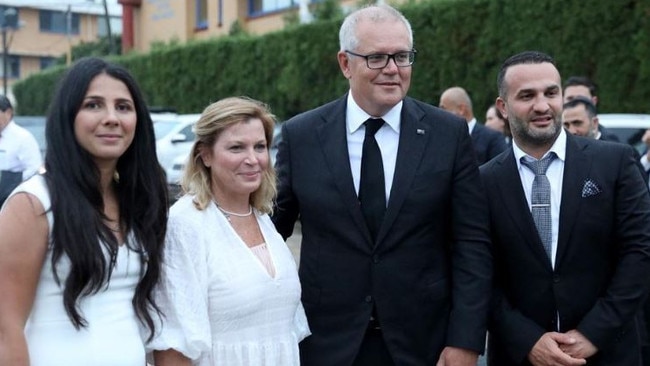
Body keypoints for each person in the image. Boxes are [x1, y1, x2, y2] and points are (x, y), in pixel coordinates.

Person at [272, 4, 492, 366]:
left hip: (425, 345)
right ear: (345, 63)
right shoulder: (303, 136)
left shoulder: (447, 135)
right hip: (326, 345)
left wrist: (466, 341)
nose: (392, 69)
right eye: (376, 58)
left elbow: (472, 243)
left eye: (402, 56)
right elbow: (269, 231)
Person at [481, 50, 650, 365]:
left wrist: (591, 335)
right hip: (520, 357)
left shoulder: (615, 163)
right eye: (527, 95)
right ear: (503, 107)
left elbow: (640, 253)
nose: (543, 106)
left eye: (551, 93)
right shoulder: (483, 182)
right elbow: (477, 273)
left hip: (608, 352)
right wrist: (528, 340)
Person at [0, 57, 168, 365]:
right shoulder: (32, 204)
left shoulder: (138, 202)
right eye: (93, 105)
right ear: (68, 116)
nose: (111, 118)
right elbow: (5, 329)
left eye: (123, 107)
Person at [149, 96, 310, 366]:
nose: (253, 159)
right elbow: (172, 347)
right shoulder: (186, 225)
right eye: (237, 148)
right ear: (205, 154)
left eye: (260, 146)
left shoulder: (262, 218)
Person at [439, 86, 508, 164]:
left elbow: (501, 169)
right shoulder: (443, 140)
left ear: (461, 109)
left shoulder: (492, 138)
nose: (440, 114)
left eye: (443, 109)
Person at [0, 95, 43, 206]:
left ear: (8, 113)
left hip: (11, 198)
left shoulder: (23, 138)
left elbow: (34, 168)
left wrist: (12, 185)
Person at [562, 76, 618, 142]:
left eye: (581, 98)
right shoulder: (556, 138)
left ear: (594, 101)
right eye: (570, 99)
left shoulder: (610, 142)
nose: (575, 102)